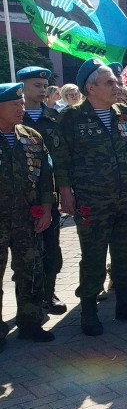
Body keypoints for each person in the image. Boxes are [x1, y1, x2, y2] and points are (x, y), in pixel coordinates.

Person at [53, 60, 127, 336]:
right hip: (91, 200)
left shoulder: (126, 114)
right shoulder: (71, 118)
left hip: (125, 197)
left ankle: (125, 303)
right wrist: (65, 193)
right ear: (91, 87)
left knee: (125, 251)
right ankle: (89, 310)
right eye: (110, 82)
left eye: (117, 82)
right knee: (93, 255)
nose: (117, 87)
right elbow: (61, 161)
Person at [0, 82, 55, 345]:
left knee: (31, 271)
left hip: (27, 219)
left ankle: (30, 322)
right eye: (14, 104)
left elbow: (46, 177)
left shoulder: (32, 137)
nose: (21, 108)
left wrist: (46, 208)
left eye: (22, 104)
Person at [16, 66, 66, 315]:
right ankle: (26, 303)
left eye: (44, 85)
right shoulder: (12, 118)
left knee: (51, 249)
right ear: (22, 87)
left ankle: (49, 294)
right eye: (36, 85)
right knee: (23, 255)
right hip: (17, 199)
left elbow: (64, 158)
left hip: (49, 195)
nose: (43, 90)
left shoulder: (56, 118)